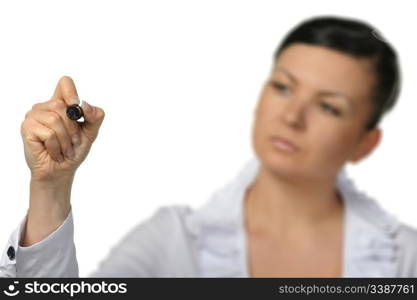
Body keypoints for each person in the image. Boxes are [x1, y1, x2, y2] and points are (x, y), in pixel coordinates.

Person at [1, 15, 417, 278]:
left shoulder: (406, 261)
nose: (292, 116)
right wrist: (51, 187)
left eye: (328, 106)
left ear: (365, 143)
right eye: (283, 87)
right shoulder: (171, 242)